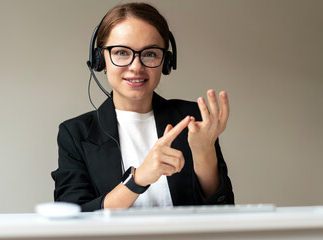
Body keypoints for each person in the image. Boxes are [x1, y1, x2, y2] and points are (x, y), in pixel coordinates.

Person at [51, 2, 234, 212]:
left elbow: (224, 212)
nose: (136, 66)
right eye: (121, 52)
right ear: (100, 59)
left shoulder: (191, 120)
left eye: (150, 54)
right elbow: (73, 217)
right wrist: (138, 179)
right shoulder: (75, 133)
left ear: (166, 62)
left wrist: (204, 154)